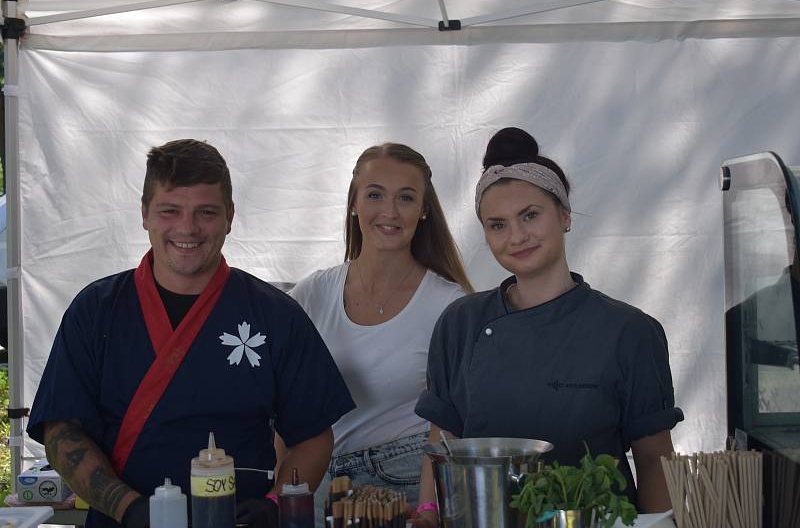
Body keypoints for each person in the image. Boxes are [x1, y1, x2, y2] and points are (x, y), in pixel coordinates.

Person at [26, 139, 355, 528]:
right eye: (170, 211)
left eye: (206, 212)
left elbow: (312, 436)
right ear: (145, 213)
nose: (187, 228)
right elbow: (62, 431)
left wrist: (276, 502)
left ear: (230, 216)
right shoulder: (96, 310)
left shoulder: (275, 314)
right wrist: (128, 508)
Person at [413, 127, 683, 525]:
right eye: (497, 224)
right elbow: (442, 442)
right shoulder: (461, 322)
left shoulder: (629, 331)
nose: (517, 236)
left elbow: (654, 460)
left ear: (565, 215)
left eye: (530, 215)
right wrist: (427, 513)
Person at [285, 143, 473, 513]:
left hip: (404, 484)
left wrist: (428, 511)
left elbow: (452, 424)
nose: (389, 211)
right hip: (316, 484)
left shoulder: (449, 305)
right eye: (375, 194)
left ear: (423, 211)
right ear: (354, 202)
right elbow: (278, 406)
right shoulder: (310, 294)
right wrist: (277, 495)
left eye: (406, 197)